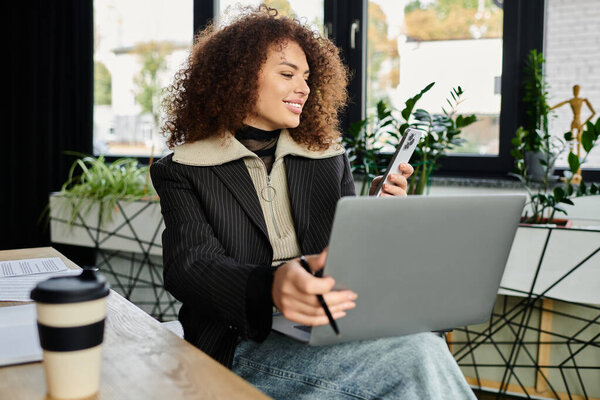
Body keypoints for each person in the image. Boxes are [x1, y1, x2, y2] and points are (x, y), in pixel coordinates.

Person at [151, 5, 476, 399]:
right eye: (287, 74)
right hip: (239, 342)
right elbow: (191, 266)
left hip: (326, 325)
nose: (304, 88)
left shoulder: (327, 157)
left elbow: (344, 258)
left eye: (306, 77)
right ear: (235, 78)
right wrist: (271, 287)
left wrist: (373, 214)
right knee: (416, 355)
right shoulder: (184, 168)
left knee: (421, 343)